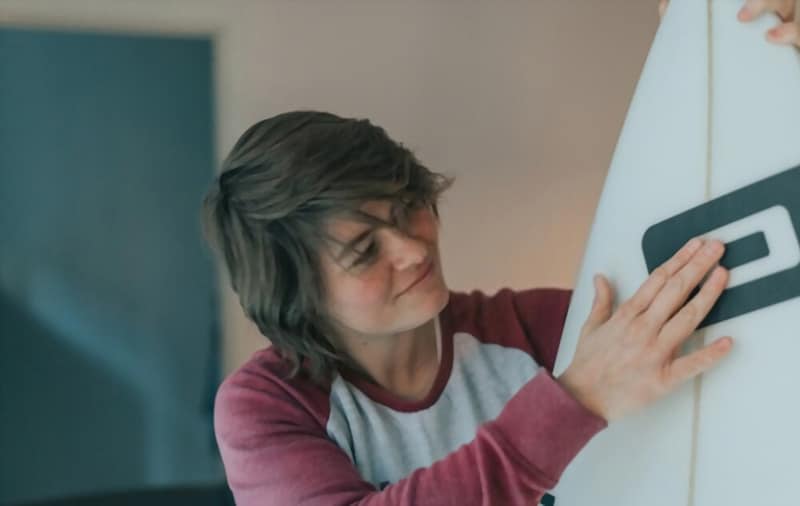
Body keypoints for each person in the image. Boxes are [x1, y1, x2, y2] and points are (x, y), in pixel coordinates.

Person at [202, 2, 799, 504]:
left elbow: (756, 323)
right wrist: (578, 401)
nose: (413, 249)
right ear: (295, 293)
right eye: (364, 250)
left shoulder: (534, 329)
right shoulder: (265, 405)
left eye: (407, 206)